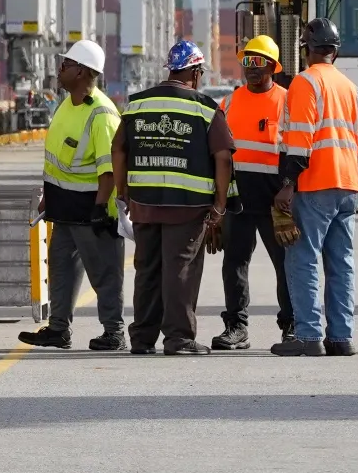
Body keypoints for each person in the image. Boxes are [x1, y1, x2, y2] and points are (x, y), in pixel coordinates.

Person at [114, 40, 235, 356]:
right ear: (195, 72)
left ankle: (142, 339)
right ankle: (179, 338)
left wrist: (122, 191)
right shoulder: (205, 108)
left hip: (144, 203)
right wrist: (220, 205)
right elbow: (223, 158)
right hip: (188, 206)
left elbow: (118, 149)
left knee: (148, 269)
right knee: (180, 269)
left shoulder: (137, 105)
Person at [20, 39, 125, 352]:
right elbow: (59, 161)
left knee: (104, 273)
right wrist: (48, 197)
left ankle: (114, 332)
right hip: (63, 206)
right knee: (61, 269)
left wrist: (99, 208)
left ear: (82, 72)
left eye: (65, 65)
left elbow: (108, 169)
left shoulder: (102, 114)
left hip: (91, 209)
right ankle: (58, 329)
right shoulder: (67, 105)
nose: (60, 69)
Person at [272, 17, 358, 357]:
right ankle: (341, 338)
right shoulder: (351, 88)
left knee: (303, 259)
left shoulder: (305, 82)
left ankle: (309, 337)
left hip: (315, 183)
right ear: (335, 52)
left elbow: (299, 142)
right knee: (341, 263)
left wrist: (287, 185)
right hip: (348, 184)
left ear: (307, 51)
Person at [212, 35, 295, 350]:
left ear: (273, 67)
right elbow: (218, 155)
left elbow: (299, 151)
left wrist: (292, 190)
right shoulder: (230, 102)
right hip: (238, 201)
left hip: (277, 202)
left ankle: (291, 325)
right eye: (247, 61)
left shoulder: (287, 102)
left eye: (259, 62)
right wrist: (217, 206)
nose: (251, 68)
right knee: (233, 263)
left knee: (286, 265)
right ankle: (236, 327)